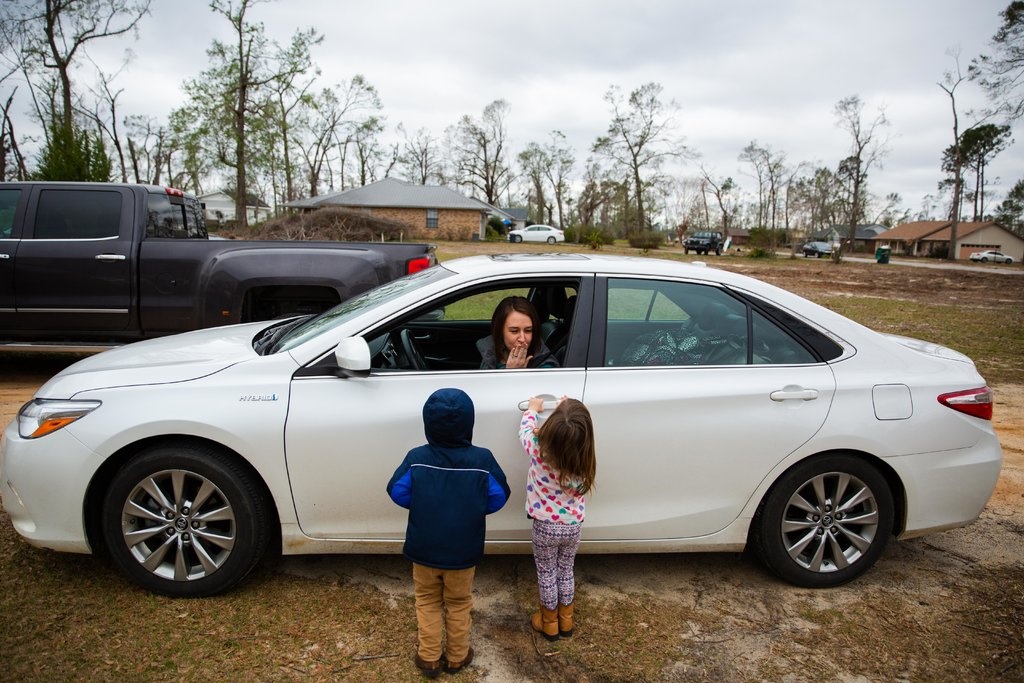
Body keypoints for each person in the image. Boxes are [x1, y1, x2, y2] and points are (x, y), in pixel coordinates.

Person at [387, 388, 511, 678]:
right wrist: (473, 509)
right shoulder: (483, 460)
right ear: (470, 424)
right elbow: (499, 496)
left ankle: (429, 657)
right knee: (458, 603)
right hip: (463, 553)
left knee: (427, 601)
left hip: (424, 550)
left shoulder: (416, 457)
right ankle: (457, 657)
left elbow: (397, 490)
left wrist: (423, 505)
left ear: (427, 424)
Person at [519, 395, 597, 641]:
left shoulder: (538, 448)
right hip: (573, 527)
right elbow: (570, 433)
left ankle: (549, 622)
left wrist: (532, 410)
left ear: (551, 432)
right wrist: (568, 404)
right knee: (565, 571)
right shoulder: (584, 461)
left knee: (546, 573)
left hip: (545, 527)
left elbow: (524, 432)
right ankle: (566, 620)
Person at [477, 295, 559, 369]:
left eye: (528, 330)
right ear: (500, 332)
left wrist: (514, 373)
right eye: (514, 331)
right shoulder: (490, 354)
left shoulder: (546, 366)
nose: (522, 339)